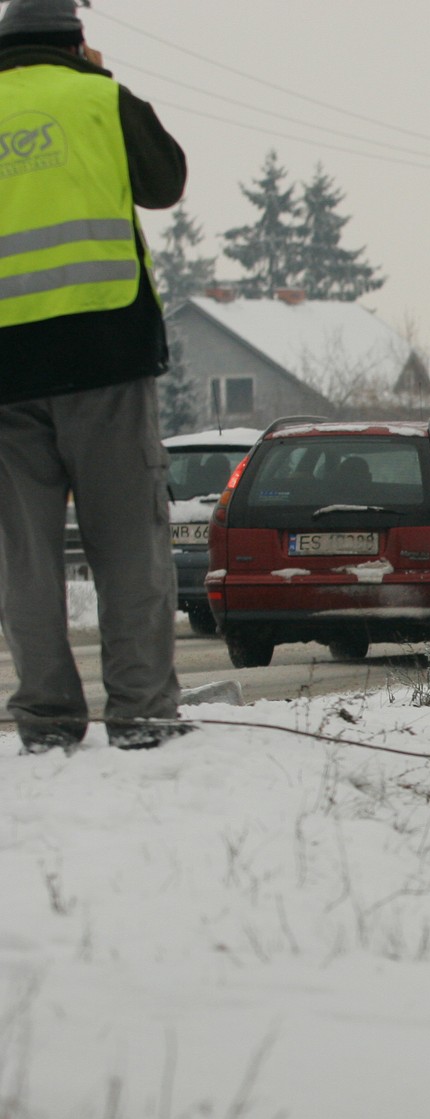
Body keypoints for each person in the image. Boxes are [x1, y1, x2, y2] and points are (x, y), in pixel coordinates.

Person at [0, 0, 189, 752]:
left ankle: (45, 720)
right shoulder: (100, 97)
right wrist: (100, 83)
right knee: (127, 546)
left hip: (6, 374)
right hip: (105, 355)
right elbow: (165, 182)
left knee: (25, 556)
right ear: (75, 42)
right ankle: (141, 712)